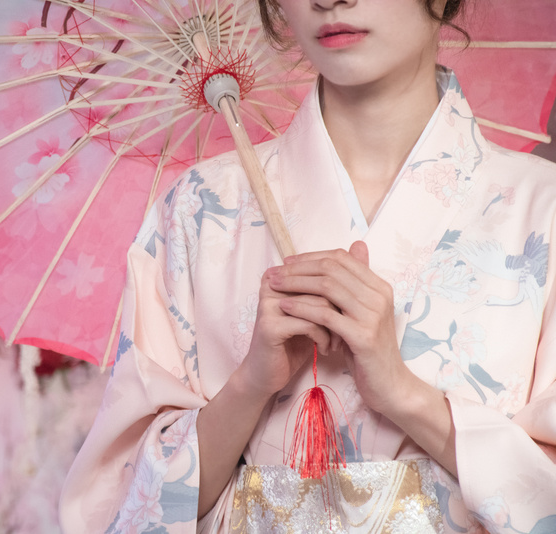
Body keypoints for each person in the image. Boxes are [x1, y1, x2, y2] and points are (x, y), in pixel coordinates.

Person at [60, 0, 556, 532]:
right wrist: (251, 384)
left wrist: (404, 395)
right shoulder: (200, 207)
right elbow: (117, 506)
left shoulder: (542, 210)